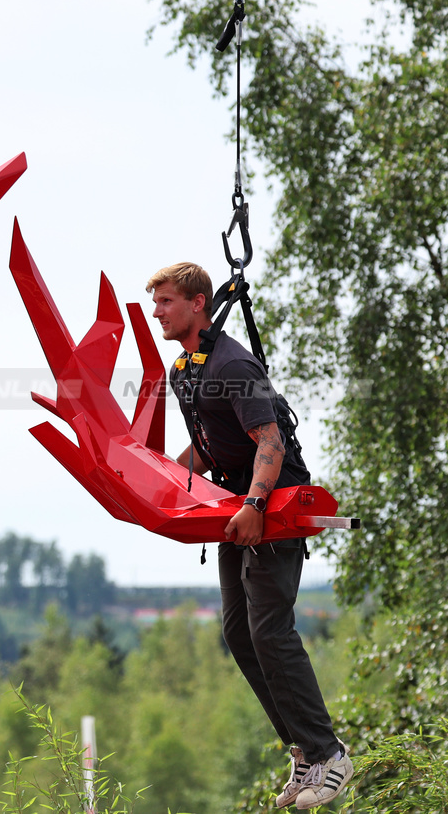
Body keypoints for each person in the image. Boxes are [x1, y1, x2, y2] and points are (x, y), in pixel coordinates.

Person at [146, 263, 353, 810]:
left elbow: (271, 441)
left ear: (197, 303)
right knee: (240, 633)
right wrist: (162, 476)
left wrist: (258, 503)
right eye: (156, 302)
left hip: (273, 501)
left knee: (270, 630)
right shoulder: (184, 370)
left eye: (166, 301)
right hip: (234, 504)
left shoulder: (233, 362)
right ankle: (304, 752)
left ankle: (329, 754)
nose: (157, 311)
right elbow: (208, 448)